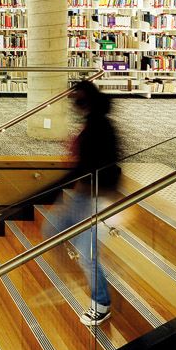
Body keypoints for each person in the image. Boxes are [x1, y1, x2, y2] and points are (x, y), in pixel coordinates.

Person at [54, 79, 121, 327]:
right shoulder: (92, 122)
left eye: (76, 99)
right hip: (85, 193)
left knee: (87, 254)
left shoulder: (101, 127)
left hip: (97, 197)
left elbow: (97, 165)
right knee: (54, 229)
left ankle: (101, 304)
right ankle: (70, 276)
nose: (73, 104)